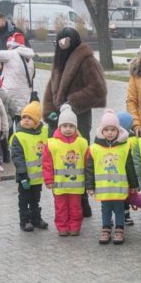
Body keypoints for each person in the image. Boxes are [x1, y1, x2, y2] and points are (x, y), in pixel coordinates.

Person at [43, 27, 106, 218]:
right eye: (60, 41)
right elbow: (51, 89)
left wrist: (71, 103)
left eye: (66, 41)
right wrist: (48, 111)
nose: (63, 45)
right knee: (59, 159)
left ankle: (82, 199)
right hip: (57, 119)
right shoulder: (59, 61)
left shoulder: (86, 61)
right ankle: (63, 202)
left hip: (78, 117)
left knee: (79, 158)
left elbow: (97, 89)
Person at [86, 109, 138, 246]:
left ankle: (119, 229)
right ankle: (106, 228)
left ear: (118, 130)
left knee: (119, 209)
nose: (109, 132)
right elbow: (90, 169)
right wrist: (90, 186)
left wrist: (133, 185)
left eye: (113, 129)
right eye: (107, 129)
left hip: (119, 188)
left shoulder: (124, 147)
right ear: (102, 131)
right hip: (104, 188)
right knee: (106, 209)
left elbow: (129, 167)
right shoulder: (95, 148)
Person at [42, 103, 88, 236]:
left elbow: (88, 162)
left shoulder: (82, 143)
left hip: (76, 186)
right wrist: (48, 180)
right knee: (60, 208)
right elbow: (47, 163)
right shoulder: (52, 144)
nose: (68, 129)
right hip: (59, 185)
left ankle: (74, 226)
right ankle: (62, 227)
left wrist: (90, 180)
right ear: (59, 127)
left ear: (76, 127)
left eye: (71, 126)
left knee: (76, 208)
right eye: (65, 126)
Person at [10, 99, 49, 232]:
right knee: (24, 199)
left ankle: (36, 218)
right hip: (25, 177)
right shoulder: (18, 136)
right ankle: (25, 220)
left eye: (30, 118)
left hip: (37, 178)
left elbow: (52, 134)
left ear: (37, 121)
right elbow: (17, 157)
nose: (26, 120)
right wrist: (22, 175)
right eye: (24, 117)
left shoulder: (43, 132)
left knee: (35, 199)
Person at [0, 32, 35, 116]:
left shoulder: (12, 53)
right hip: (25, 94)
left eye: (9, 46)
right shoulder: (30, 58)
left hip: (10, 92)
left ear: (14, 45)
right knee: (21, 116)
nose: (8, 48)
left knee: (9, 116)